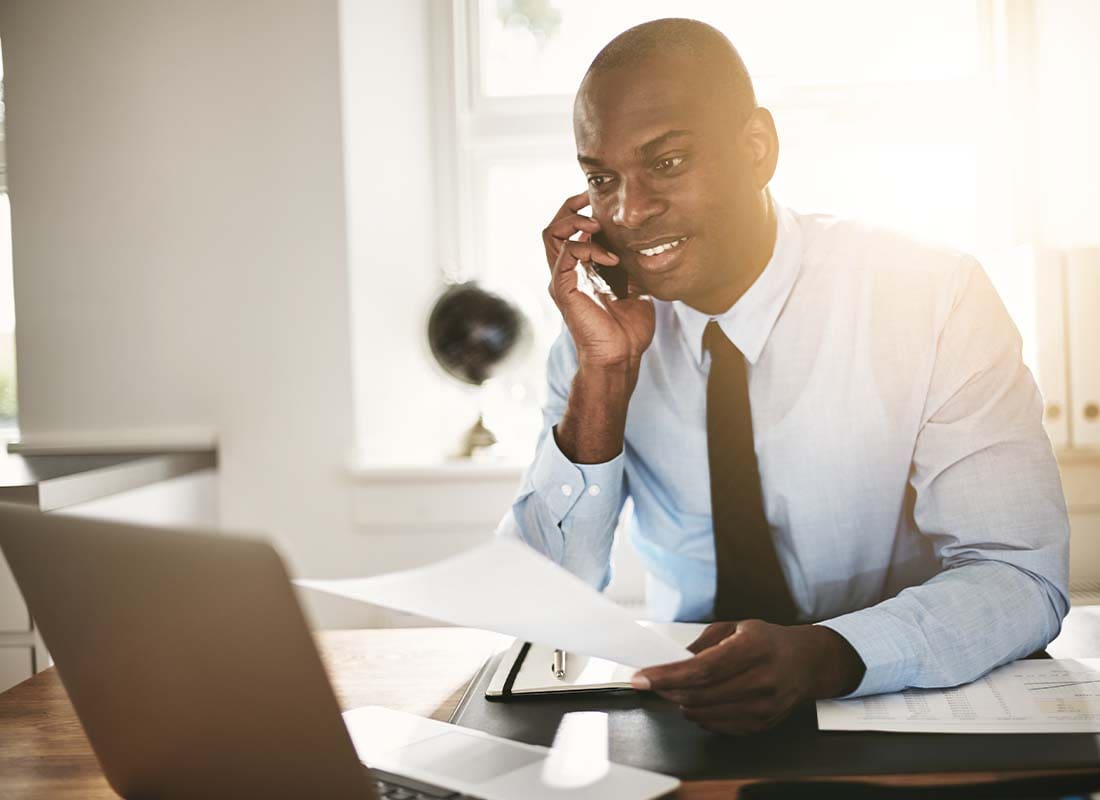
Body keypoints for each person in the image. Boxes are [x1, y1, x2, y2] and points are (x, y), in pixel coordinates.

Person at [495, 18, 1069, 734]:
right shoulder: (595, 347)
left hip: (899, 706)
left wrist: (828, 655)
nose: (629, 212)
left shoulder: (931, 297)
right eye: (601, 179)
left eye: (667, 163)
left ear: (757, 150)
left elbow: (1020, 577)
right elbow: (536, 607)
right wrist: (605, 381)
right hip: (692, 719)